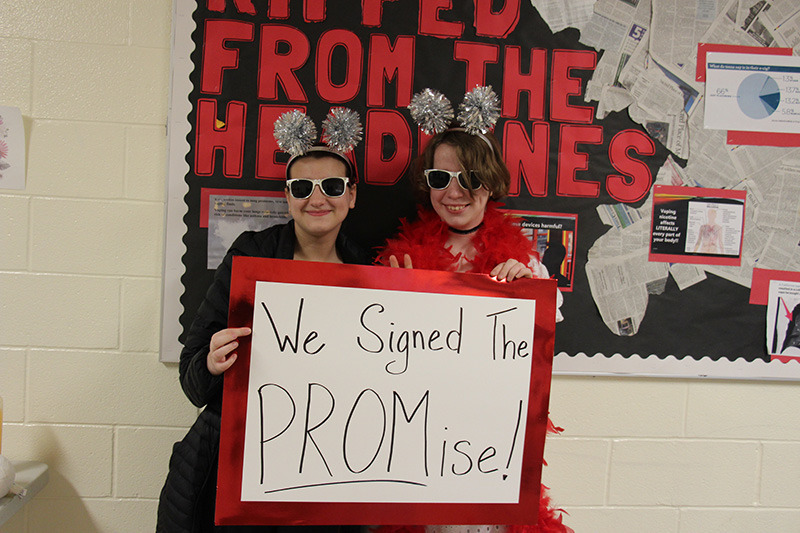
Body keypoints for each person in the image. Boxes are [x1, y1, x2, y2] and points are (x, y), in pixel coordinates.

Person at [157, 142, 371, 532]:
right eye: (302, 188)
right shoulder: (249, 256)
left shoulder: (370, 273)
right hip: (235, 467)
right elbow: (192, 380)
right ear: (288, 197)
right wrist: (211, 362)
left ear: (351, 195)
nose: (317, 198)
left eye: (333, 187)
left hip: (324, 474)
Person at [376, 126, 568, 533]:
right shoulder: (401, 260)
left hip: (485, 448)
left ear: (490, 182)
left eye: (469, 179)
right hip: (415, 445)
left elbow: (536, 366)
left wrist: (528, 295)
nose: (454, 192)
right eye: (440, 179)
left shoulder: (524, 265)